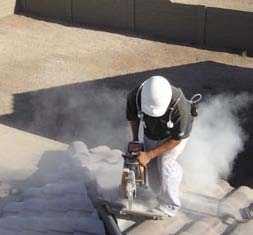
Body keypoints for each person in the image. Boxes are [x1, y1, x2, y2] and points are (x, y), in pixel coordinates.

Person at [126, 75, 195, 217]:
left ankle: (171, 204)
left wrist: (149, 154)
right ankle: (159, 194)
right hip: (151, 131)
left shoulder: (180, 108)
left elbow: (176, 139)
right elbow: (133, 118)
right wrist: (135, 140)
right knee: (151, 167)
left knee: (165, 163)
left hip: (173, 136)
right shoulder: (135, 96)